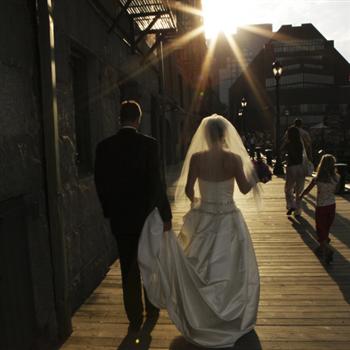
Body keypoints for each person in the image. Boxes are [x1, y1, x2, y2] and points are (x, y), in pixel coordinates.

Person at [138, 115, 261, 348]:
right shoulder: (234, 159)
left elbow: (187, 188)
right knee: (232, 269)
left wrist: (198, 203)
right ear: (225, 135)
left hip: (204, 218)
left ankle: (202, 316)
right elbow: (244, 190)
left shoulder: (196, 158)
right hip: (229, 219)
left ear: (205, 135)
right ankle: (230, 315)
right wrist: (255, 178)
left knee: (201, 267)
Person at [94, 100, 172, 334]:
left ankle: (134, 316)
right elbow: (157, 183)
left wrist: (109, 210)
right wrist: (165, 215)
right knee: (149, 261)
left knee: (128, 266)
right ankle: (152, 307)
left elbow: (101, 183)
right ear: (138, 119)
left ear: (120, 118)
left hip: (121, 219)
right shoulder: (150, 145)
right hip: (147, 217)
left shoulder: (104, 147)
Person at [299, 154, 339, 264]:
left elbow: (307, 189)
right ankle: (321, 249)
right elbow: (336, 191)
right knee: (326, 229)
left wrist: (301, 196)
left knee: (320, 230)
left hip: (321, 207)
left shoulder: (317, 179)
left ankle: (328, 250)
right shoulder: (336, 178)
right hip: (332, 206)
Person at [282, 126, 305, 217]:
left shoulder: (288, 143)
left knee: (288, 188)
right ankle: (298, 210)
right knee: (299, 190)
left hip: (291, 167)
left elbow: (281, 150)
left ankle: (291, 204)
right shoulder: (300, 143)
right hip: (300, 167)